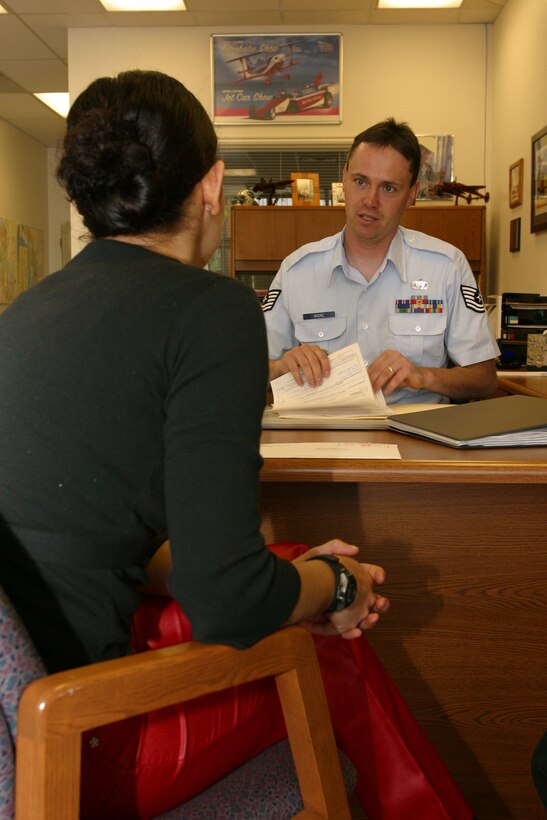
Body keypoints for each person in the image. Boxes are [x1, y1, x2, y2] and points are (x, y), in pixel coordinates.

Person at [0, 72, 472, 819]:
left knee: (291, 571)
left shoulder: (26, 312)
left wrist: (303, 579)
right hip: (84, 735)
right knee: (330, 638)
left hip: (16, 725)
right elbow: (228, 600)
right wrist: (340, 590)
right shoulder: (208, 306)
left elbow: (95, 528)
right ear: (212, 184)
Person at [264, 117, 500, 404]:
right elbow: (249, 372)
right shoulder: (296, 272)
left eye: (388, 188)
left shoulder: (446, 267)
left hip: (417, 438)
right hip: (324, 437)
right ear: (344, 178)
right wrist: (282, 366)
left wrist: (424, 376)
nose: (370, 201)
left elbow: (485, 378)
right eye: (361, 182)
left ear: (412, 194)